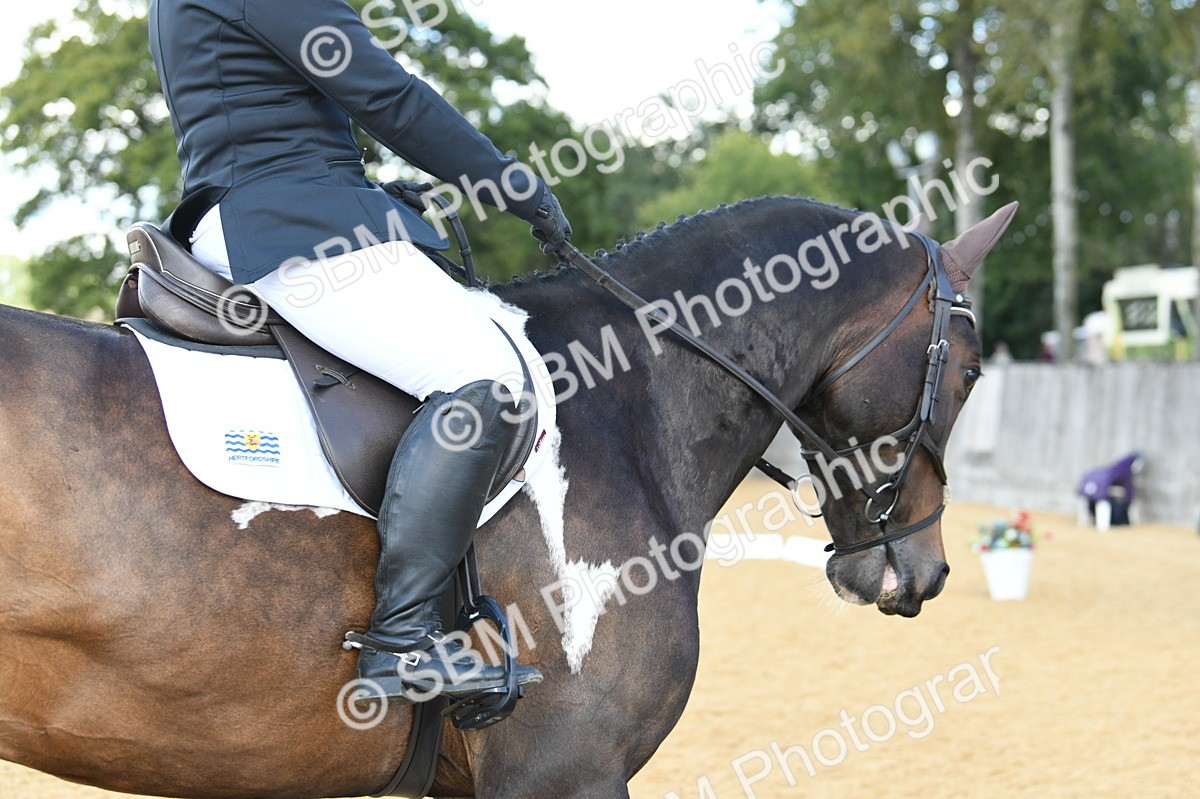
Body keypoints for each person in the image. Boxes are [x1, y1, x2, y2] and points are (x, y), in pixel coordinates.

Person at [148, 0, 571, 700]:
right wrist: (515, 186)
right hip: (289, 222)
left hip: (271, 208)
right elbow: (387, 96)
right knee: (491, 377)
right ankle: (403, 640)